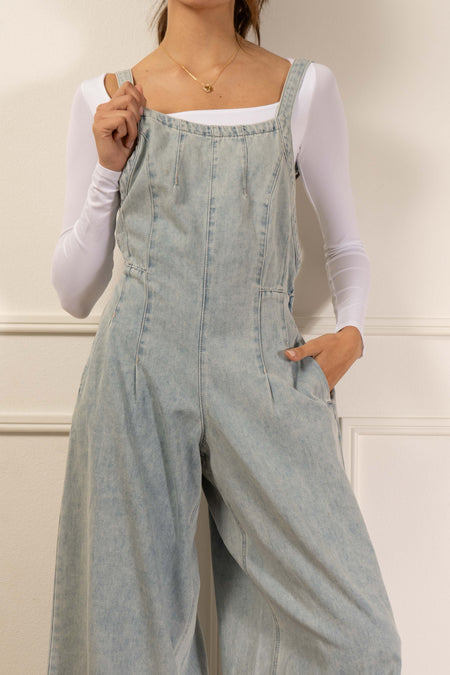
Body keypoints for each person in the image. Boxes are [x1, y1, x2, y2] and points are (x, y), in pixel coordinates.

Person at [47, 1, 402, 673]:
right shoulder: (105, 97)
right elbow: (74, 293)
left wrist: (352, 333)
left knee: (357, 638)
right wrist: (107, 169)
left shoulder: (305, 88)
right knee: (129, 642)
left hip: (265, 370)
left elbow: (346, 245)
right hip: (137, 374)